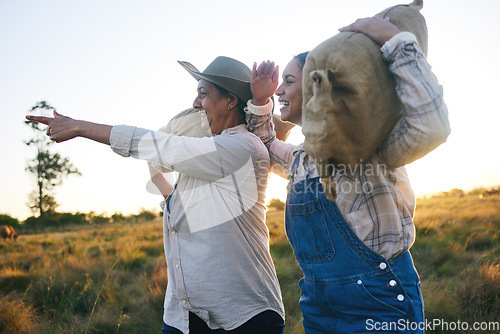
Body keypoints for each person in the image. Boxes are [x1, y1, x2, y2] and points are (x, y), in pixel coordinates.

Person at [26, 56, 286, 334]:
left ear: (231, 101)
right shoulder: (201, 159)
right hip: (182, 316)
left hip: (243, 315)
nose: (196, 103)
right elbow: (163, 154)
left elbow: (162, 146)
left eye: (203, 93)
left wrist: (80, 126)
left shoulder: (243, 148)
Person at [247, 17, 451, 333]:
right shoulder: (301, 157)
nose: (280, 91)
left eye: (288, 80)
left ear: (317, 84)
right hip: (318, 305)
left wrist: (395, 40)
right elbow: (265, 145)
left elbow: (431, 126)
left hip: (377, 300)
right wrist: (261, 102)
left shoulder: (366, 144)